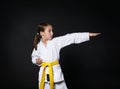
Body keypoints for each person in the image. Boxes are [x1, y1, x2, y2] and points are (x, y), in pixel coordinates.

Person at [31, 22, 101, 89]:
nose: (52, 33)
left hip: (56, 75)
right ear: (42, 33)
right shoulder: (38, 46)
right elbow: (34, 57)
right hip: (44, 76)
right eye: (49, 31)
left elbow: (71, 37)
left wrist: (88, 34)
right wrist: (36, 61)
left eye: (52, 31)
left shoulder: (56, 42)